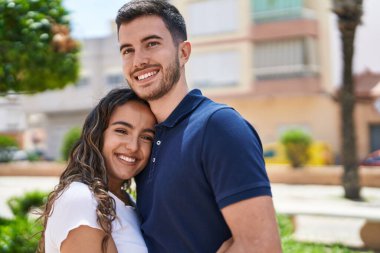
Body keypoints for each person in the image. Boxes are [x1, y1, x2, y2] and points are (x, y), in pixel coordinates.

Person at [115, 0, 282, 252]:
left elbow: (262, 246)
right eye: (127, 50)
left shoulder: (219, 126)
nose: (138, 60)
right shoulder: (145, 141)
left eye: (151, 44)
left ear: (183, 53)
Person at [37, 88, 156, 253]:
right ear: (98, 134)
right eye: (122, 131)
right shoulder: (82, 199)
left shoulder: (127, 202)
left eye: (146, 137)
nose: (133, 146)